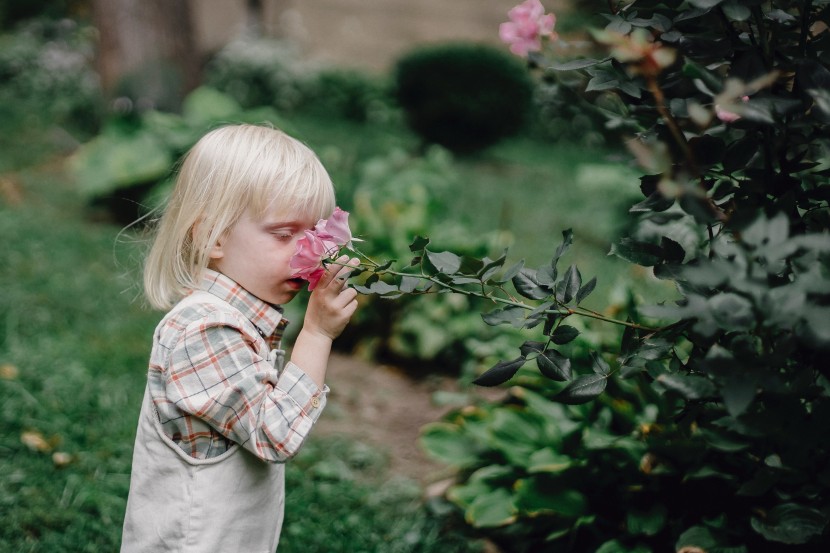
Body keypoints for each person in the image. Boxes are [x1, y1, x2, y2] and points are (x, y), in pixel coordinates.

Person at [121, 124, 359, 552]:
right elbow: (274, 434)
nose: (311, 253)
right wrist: (318, 333)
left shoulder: (237, 320)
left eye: (316, 236)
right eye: (285, 235)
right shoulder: (205, 330)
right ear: (211, 236)